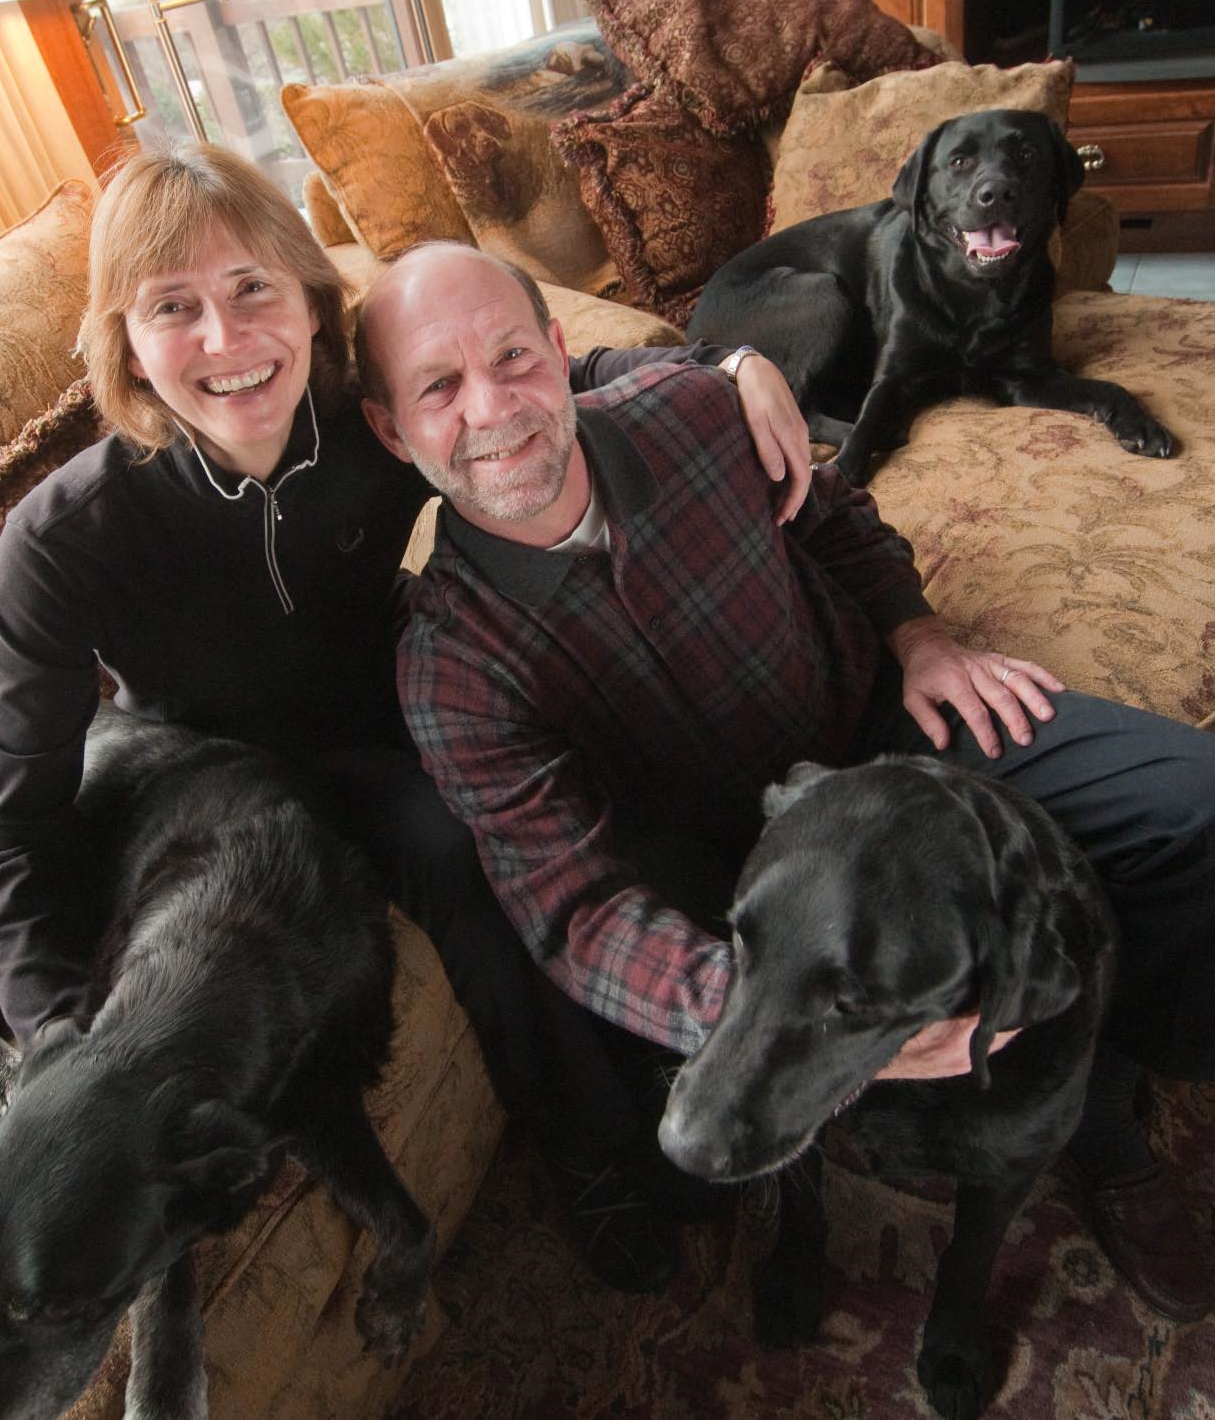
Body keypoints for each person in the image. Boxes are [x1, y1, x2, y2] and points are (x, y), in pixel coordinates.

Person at [0, 142, 814, 1294]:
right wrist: (65, 1044)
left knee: (537, 784)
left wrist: (733, 360)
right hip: (216, 790)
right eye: (175, 308)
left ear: (313, 300)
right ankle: (593, 1152)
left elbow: (542, 376)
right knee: (450, 841)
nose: (226, 339)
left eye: (253, 288)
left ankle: (682, 1046)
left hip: (391, 710)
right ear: (124, 341)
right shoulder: (66, 537)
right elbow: (4, 827)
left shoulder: (368, 422)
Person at [356, 239, 1215, 1322]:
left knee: (1194, 807)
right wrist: (771, 1008)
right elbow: (573, 912)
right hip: (733, 867)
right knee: (701, 1170)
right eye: (438, 386)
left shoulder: (692, 409)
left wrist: (920, 635)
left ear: (561, 349)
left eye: (513, 358)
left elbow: (838, 519)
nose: (493, 407)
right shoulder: (451, 663)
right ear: (392, 428)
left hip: (880, 722)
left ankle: (1100, 1086)